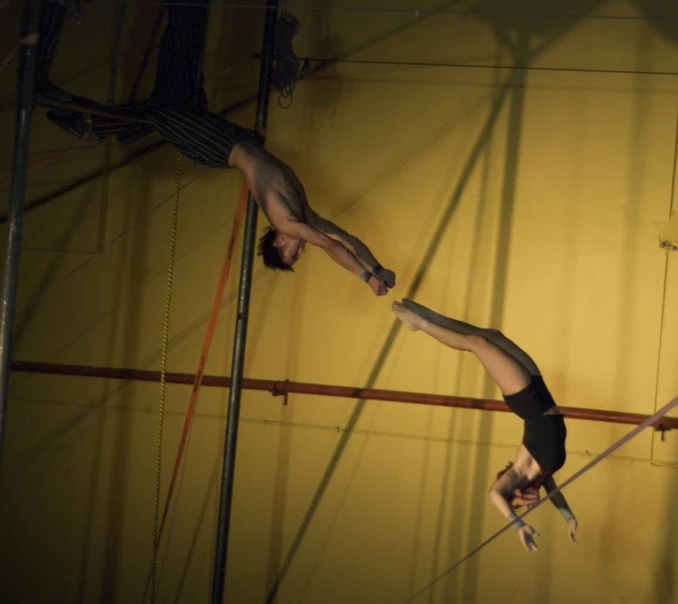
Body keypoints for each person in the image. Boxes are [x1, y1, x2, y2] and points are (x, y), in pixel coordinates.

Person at [36, 0, 396, 295]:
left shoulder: (284, 217)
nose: (300, 250)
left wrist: (368, 277)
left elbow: (334, 245)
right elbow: (343, 239)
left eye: (291, 254)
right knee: (175, 92)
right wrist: (375, 269)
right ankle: (186, 12)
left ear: (277, 240)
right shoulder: (301, 216)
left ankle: (81, 118)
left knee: (159, 112)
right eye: (298, 253)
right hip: (224, 138)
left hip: (214, 146)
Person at [391, 298, 578, 552]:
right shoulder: (543, 477)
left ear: (515, 493)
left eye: (519, 505)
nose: (528, 505)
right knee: (489, 336)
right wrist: (569, 518)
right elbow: (556, 496)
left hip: (527, 400)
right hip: (541, 393)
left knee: (479, 344)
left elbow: (494, 494)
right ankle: (425, 320)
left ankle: (423, 322)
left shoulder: (521, 472)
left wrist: (517, 524)